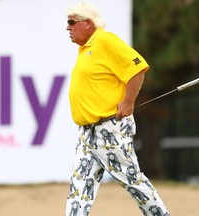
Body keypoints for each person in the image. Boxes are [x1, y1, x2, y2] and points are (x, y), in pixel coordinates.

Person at [65, 1, 170, 216]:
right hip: (88, 132)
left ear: (87, 24)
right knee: (79, 188)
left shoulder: (104, 41)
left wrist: (128, 102)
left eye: (71, 22)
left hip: (109, 128)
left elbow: (137, 67)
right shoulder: (86, 49)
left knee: (133, 181)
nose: (68, 27)